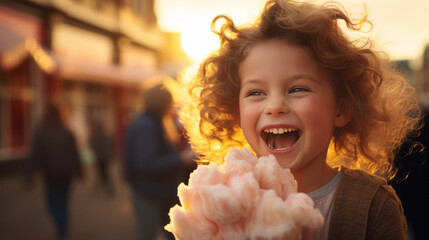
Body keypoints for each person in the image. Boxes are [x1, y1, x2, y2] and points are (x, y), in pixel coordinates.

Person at [173, 0, 422, 239]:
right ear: (235, 111)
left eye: (297, 89)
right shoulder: (218, 197)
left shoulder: (373, 206)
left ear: (341, 109)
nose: (275, 106)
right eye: (256, 93)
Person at [124, 82, 193, 240]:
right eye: (171, 103)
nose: (173, 108)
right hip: (150, 194)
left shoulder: (150, 122)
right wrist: (181, 158)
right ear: (162, 103)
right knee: (149, 234)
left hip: (153, 192)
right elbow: (147, 164)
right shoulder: (146, 126)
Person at [24, 104, 83, 240]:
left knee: (53, 205)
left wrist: (29, 174)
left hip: (51, 175)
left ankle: (61, 230)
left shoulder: (41, 133)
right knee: (62, 203)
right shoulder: (67, 132)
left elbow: (34, 155)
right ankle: (62, 230)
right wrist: (79, 172)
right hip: (66, 174)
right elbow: (75, 154)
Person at [90, 121, 114, 195]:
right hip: (106, 157)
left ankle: (106, 187)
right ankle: (107, 187)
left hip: (100, 157)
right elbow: (110, 145)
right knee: (105, 173)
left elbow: (93, 146)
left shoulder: (96, 137)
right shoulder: (106, 136)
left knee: (102, 173)